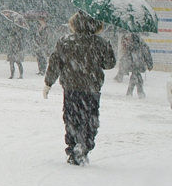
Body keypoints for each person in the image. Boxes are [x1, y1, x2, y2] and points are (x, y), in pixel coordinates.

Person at [43, 11, 117, 165]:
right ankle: (84, 145)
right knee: (90, 119)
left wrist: (48, 83)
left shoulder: (65, 41)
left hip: (71, 88)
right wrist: (107, 49)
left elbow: (55, 63)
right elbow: (109, 64)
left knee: (71, 119)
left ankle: (72, 149)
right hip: (91, 89)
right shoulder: (100, 43)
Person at [125, 33, 153, 98]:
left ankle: (131, 92)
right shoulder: (143, 46)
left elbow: (128, 56)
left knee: (135, 76)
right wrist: (149, 64)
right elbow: (148, 56)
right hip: (139, 65)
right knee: (137, 77)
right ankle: (139, 92)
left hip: (135, 65)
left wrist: (127, 65)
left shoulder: (132, 46)